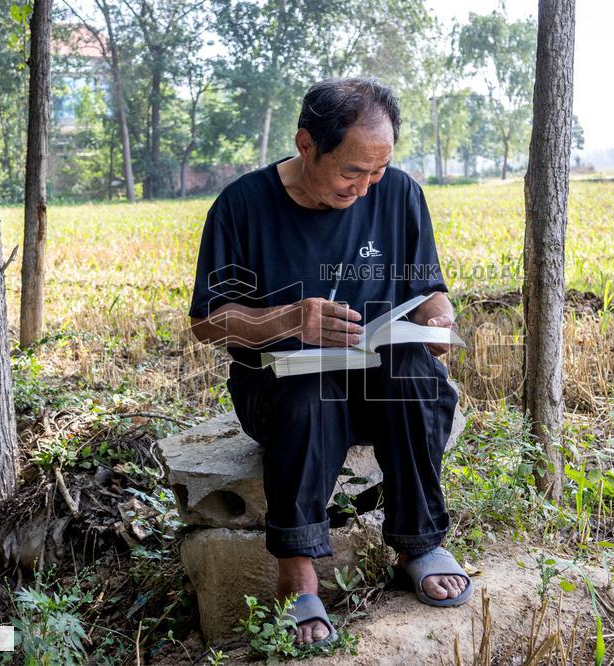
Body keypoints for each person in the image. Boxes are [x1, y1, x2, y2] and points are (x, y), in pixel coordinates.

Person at [189, 77, 471, 646]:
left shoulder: (399, 195)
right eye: (351, 172)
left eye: (378, 171)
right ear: (305, 145)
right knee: (311, 391)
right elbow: (208, 321)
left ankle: (418, 543)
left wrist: (441, 320)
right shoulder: (242, 207)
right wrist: (288, 321)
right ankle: (297, 575)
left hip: (378, 382)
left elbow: (430, 288)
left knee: (416, 375)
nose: (366, 189)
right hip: (281, 387)